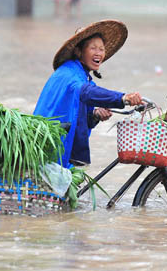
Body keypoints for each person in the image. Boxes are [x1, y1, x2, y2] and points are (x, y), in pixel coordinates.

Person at [34, 20, 143, 168]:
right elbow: (85, 92)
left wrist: (96, 115)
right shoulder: (69, 73)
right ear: (79, 51)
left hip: (61, 146)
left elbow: (80, 115)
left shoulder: (84, 78)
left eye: (101, 49)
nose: (99, 53)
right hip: (50, 148)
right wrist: (123, 98)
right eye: (93, 48)